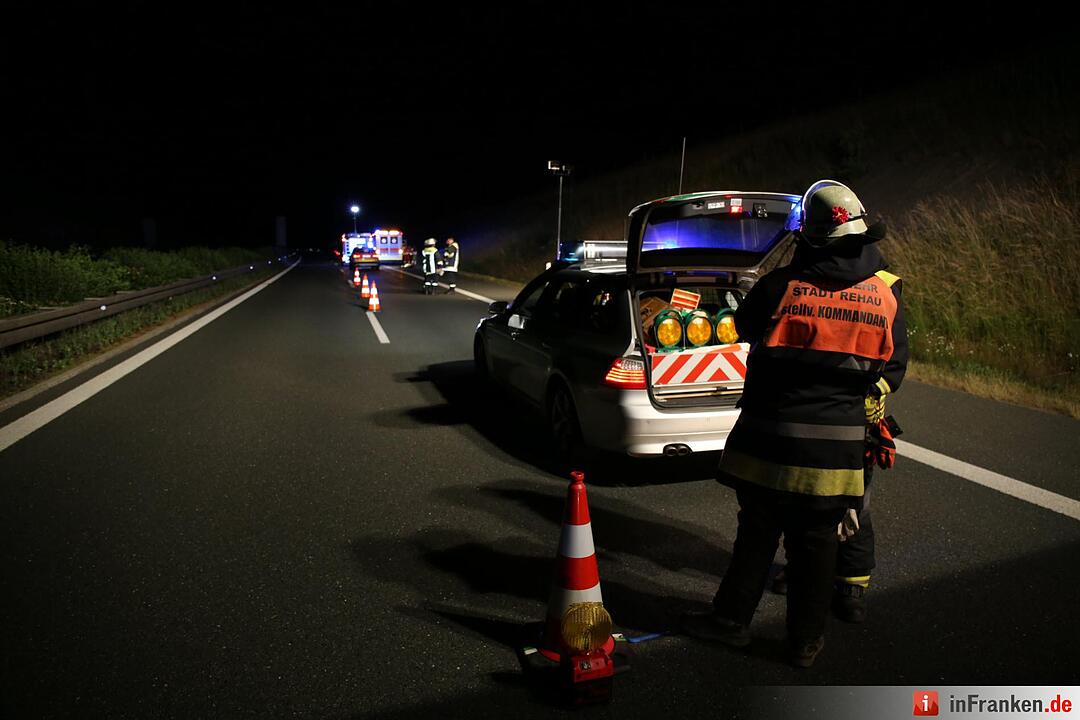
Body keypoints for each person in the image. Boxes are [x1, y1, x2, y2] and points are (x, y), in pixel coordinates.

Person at [682, 179, 908, 668]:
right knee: (817, 545)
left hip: (769, 441)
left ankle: (730, 623)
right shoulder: (887, 293)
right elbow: (893, 369)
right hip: (837, 449)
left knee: (757, 535)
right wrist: (868, 399)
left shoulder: (781, 286)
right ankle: (804, 642)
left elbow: (742, 328)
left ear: (809, 235)